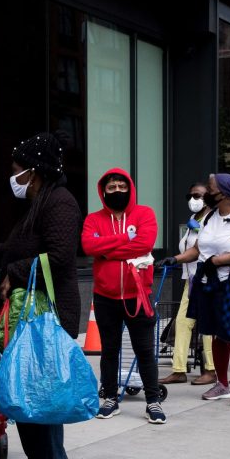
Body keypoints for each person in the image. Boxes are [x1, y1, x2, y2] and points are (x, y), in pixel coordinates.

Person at [0, 132, 80, 459]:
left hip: (45, 314)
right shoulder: (41, 204)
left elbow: (59, 258)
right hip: (34, 314)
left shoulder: (59, 203)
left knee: (33, 392)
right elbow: (14, 249)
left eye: (17, 170)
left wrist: (13, 272)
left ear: (34, 170)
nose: (12, 178)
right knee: (38, 390)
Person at [160, 173, 230, 407]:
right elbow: (197, 250)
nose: (206, 193)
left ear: (223, 193)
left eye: (210, 189)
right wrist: (175, 259)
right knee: (214, 333)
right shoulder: (211, 216)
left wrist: (219, 260)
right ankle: (222, 384)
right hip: (209, 283)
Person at [81, 168, 164, 423]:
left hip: (137, 294)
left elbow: (144, 244)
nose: (117, 191)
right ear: (103, 192)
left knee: (145, 350)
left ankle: (153, 401)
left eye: (121, 186)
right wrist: (123, 240)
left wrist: (106, 248)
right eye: (111, 188)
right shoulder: (93, 219)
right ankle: (109, 398)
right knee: (109, 350)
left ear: (130, 188)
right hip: (105, 295)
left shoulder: (144, 213)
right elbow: (88, 246)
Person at [160, 181, 217, 386]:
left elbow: (203, 249)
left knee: (207, 327)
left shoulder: (213, 219)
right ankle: (179, 370)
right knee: (183, 323)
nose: (194, 200)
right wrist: (176, 259)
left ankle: (211, 369)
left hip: (206, 278)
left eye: (199, 195)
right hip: (190, 279)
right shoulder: (194, 218)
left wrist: (177, 258)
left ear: (208, 198)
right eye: (191, 196)